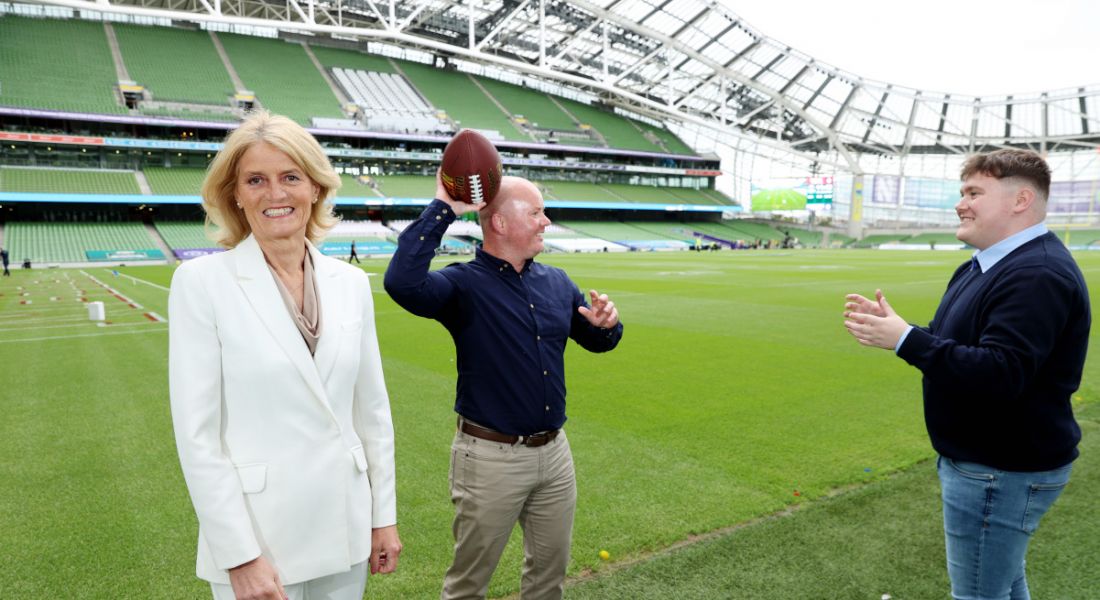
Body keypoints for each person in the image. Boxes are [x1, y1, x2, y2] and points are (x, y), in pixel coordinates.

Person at [168, 111, 402, 600]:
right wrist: (239, 554)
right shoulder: (201, 284)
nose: (275, 194)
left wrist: (383, 518)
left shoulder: (352, 283)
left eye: (290, 177)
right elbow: (198, 438)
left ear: (315, 187)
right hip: (260, 542)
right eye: (256, 180)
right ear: (235, 193)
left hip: (345, 530)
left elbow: (372, 415)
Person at [843, 148, 1089, 600]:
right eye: (962, 192)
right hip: (993, 464)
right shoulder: (985, 265)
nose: (961, 203)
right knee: (1002, 583)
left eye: (974, 192)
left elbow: (1000, 373)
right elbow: (957, 341)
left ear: (1021, 201)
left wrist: (905, 340)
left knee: (978, 594)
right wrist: (901, 330)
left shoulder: (1036, 273)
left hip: (1000, 469)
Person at [384, 174, 623, 600]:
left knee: (549, 576)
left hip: (555, 455)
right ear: (498, 223)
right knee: (469, 584)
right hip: (490, 460)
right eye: (535, 213)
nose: (546, 222)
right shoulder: (463, 284)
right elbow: (402, 284)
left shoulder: (557, 282)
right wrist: (445, 206)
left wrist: (608, 326)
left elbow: (596, 341)